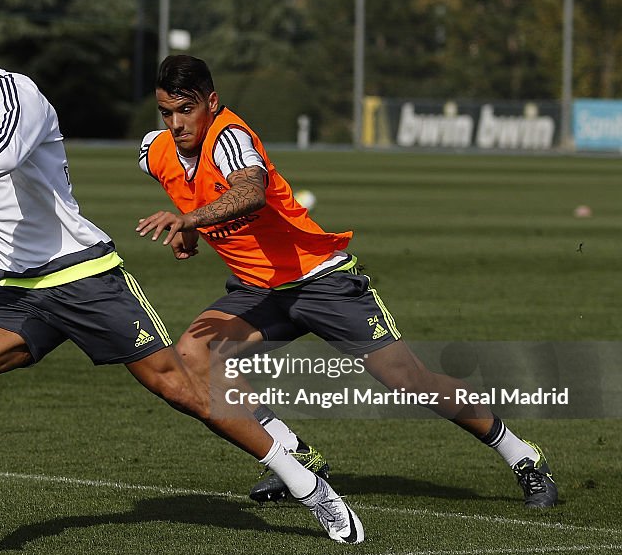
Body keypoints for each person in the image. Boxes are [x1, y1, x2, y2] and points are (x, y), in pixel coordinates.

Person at [0, 5, 365, 544]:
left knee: (181, 387)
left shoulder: (19, 96)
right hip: (21, 287)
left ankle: (307, 485)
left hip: (83, 273)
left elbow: (4, 155)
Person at [135, 54, 558, 509]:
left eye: (186, 109)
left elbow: (249, 191)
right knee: (194, 357)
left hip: (319, 279)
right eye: (167, 112)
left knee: (408, 380)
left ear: (212, 102)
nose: (176, 123)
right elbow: (195, 189)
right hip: (259, 290)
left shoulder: (230, 138)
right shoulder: (154, 152)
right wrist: (191, 230)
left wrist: (189, 219)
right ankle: (297, 457)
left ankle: (523, 457)